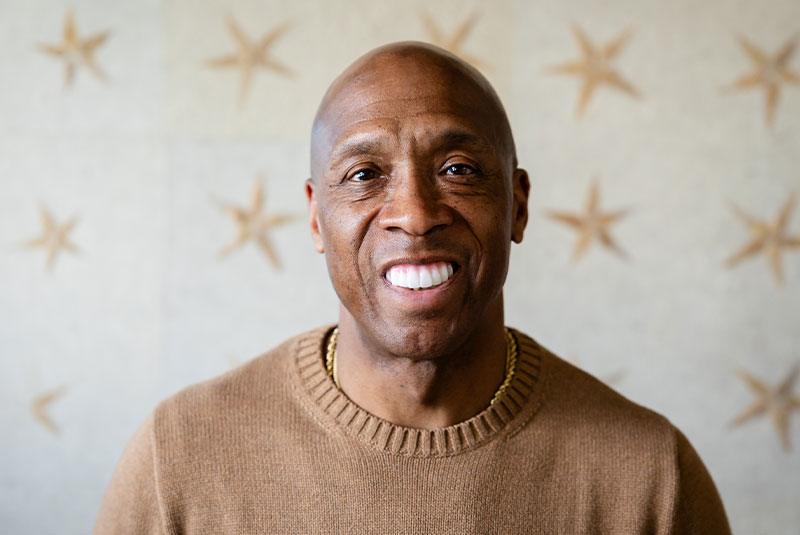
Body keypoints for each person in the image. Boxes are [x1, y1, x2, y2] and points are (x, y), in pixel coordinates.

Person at [94, 42, 731, 534]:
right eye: (365, 173)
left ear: (516, 204)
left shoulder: (652, 477)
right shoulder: (176, 458)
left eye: (457, 169)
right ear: (317, 219)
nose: (415, 213)